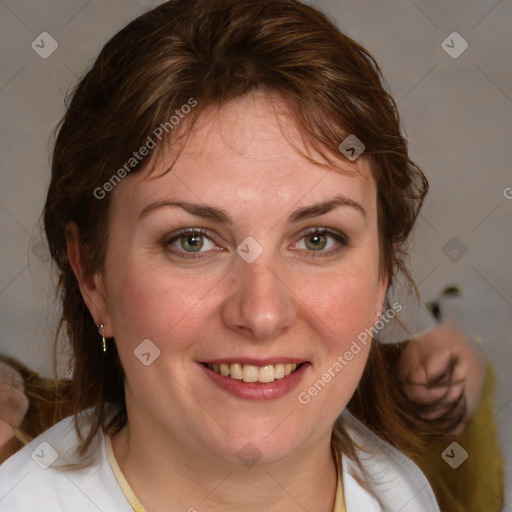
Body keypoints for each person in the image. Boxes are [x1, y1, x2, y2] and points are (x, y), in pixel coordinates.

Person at [0, 0, 453, 510]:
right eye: (191, 241)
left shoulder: (401, 489)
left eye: (318, 238)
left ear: (381, 277)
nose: (262, 314)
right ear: (92, 277)